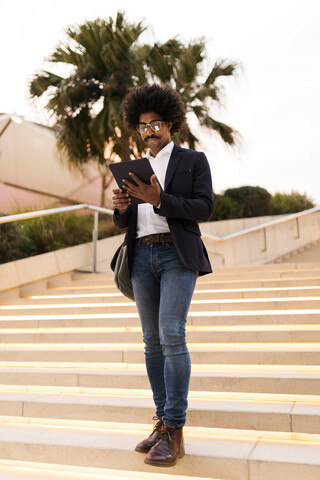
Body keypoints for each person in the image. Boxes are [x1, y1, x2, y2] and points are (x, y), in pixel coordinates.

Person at [112, 84, 214, 467]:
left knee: (172, 333)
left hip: (177, 254)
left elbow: (205, 208)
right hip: (141, 256)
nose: (149, 131)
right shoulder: (133, 167)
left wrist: (161, 200)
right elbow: (127, 221)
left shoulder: (193, 161)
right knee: (152, 341)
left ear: (170, 123)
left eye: (156, 123)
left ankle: (175, 429)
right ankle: (161, 422)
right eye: (142, 126)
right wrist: (121, 207)